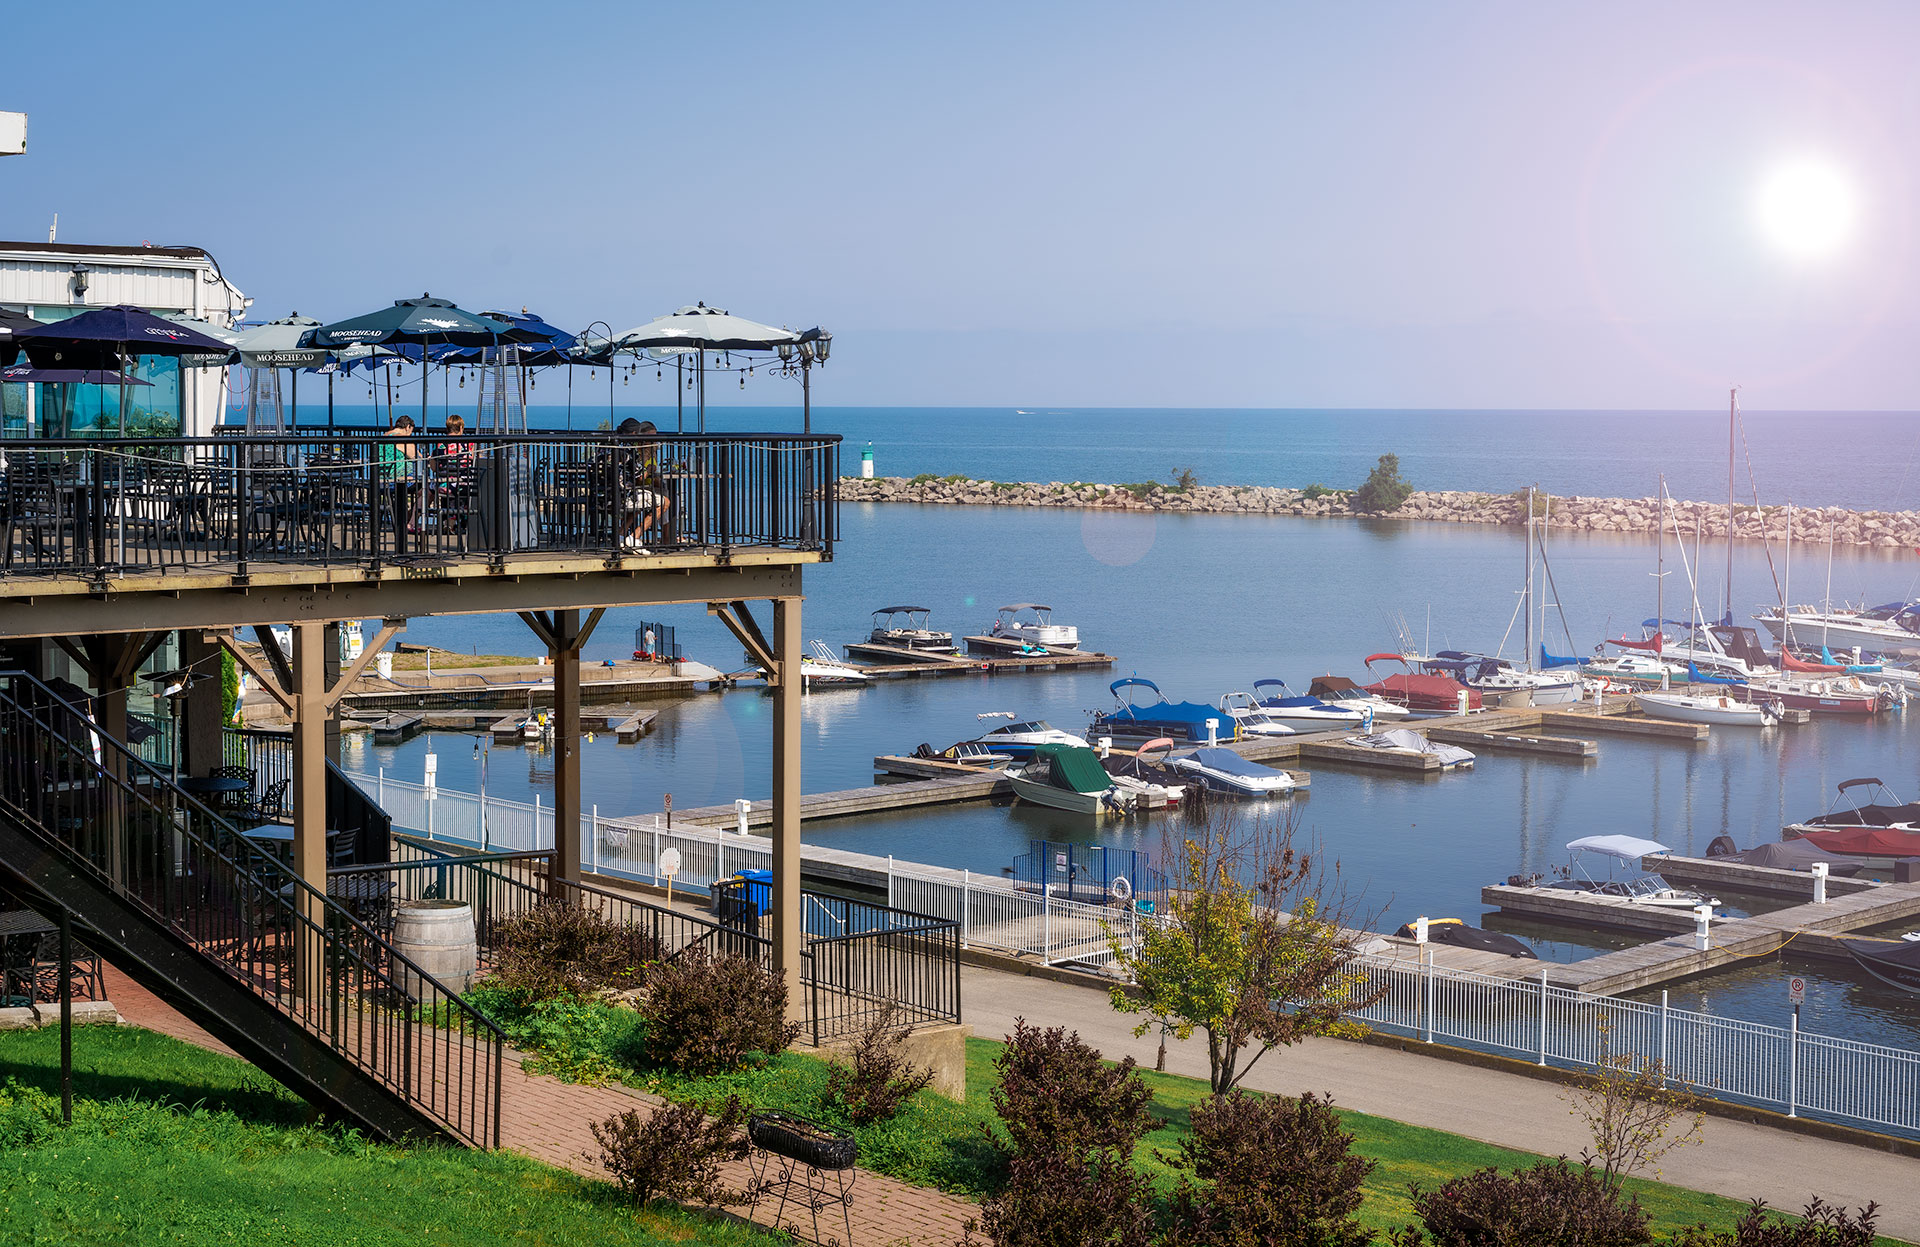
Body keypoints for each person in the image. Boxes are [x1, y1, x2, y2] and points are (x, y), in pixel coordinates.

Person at [612, 417, 669, 553]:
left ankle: (620, 536)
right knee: (665, 502)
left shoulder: (607, 448)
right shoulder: (628, 453)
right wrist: (650, 470)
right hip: (625, 494)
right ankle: (634, 537)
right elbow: (639, 477)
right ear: (633, 434)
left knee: (639, 503)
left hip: (607, 494)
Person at [378, 415, 419, 546]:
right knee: (426, 490)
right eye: (411, 431)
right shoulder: (401, 439)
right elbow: (416, 456)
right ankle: (409, 522)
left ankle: (403, 518)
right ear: (408, 427)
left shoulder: (384, 436)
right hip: (399, 480)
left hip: (381, 481)